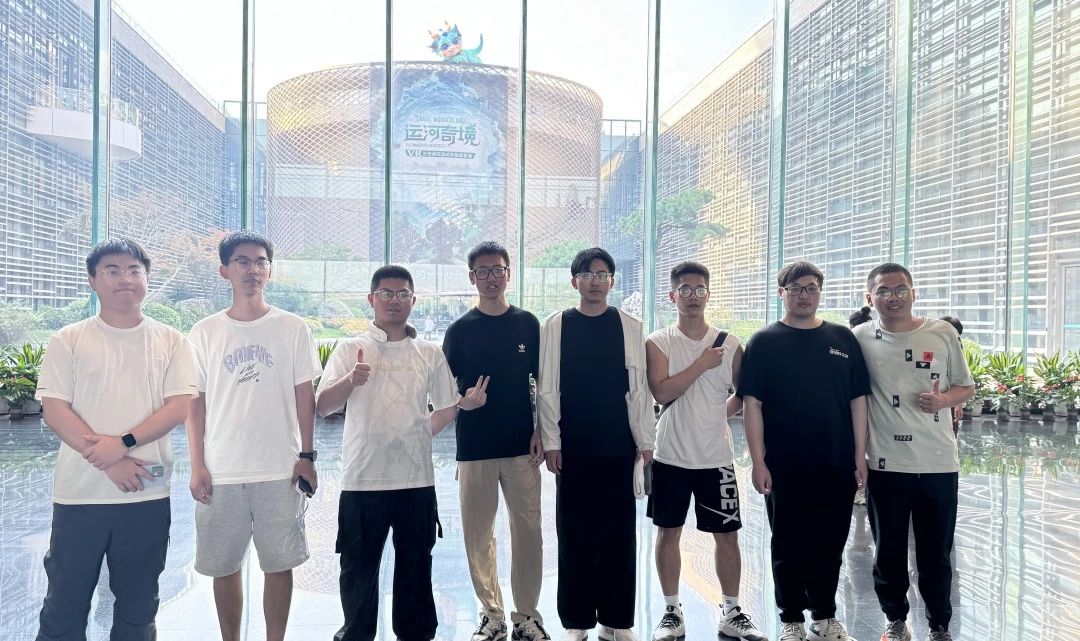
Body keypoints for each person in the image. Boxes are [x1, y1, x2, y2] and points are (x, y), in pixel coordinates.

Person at [34, 238, 196, 640]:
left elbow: (178, 407)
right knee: (65, 605)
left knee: (139, 608)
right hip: (79, 495)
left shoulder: (171, 340)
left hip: (146, 493)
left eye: (134, 270)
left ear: (146, 278)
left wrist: (121, 444)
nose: (125, 278)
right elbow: (55, 411)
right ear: (92, 279)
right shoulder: (69, 339)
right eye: (112, 270)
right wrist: (109, 460)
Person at [316, 264, 489, 641]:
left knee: (415, 568)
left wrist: (446, 416)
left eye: (402, 294)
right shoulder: (350, 348)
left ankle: (416, 634)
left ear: (413, 300)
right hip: (362, 480)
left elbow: (445, 408)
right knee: (358, 570)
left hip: (415, 480)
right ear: (371, 298)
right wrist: (350, 380)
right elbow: (324, 406)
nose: (394, 301)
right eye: (386, 293)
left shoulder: (428, 352)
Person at [185, 231, 322, 641]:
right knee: (223, 567)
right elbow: (195, 404)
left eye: (261, 261)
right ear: (224, 270)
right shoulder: (205, 332)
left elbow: (305, 396)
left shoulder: (292, 328)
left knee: (279, 565)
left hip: (279, 468)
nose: (253, 269)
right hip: (222, 469)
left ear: (270, 270)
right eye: (242, 261)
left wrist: (307, 456)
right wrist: (197, 465)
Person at [737, 261, 870, 641]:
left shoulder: (842, 339)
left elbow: (858, 400)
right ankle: (791, 619)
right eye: (795, 288)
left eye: (811, 287)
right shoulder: (764, 342)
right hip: (784, 463)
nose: (804, 295)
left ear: (820, 292)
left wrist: (859, 455)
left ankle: (824, 617)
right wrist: (758, 461)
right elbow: (753, 405)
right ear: (782, 293)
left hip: (835, 461)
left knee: (831, 542)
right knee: (787, 543)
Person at [644, 261, 767, 641]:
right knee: (668, 533)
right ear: (672, 295)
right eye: (685, 289)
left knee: (726, 535)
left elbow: (743, 395)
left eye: (699, 289)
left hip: (716, 459)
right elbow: (661, 392)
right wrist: (700, 364)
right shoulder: (659, 341)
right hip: (670, 456)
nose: (693, 296)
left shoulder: (730, 344)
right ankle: (671, 611)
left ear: (708, 294)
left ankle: (731, 610)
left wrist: (716, 414)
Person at [537, 247, 655, 641]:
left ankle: (617, 621)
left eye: (602, 274)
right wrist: (551, 441)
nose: (595, 281)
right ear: (575, 281)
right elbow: (548, 388)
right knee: (574, 534)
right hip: (573, 447)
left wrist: (645, 440)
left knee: (619, 534)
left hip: (618, 445)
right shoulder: (556, 325)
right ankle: (577, 621)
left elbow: (639, 390)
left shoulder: (629, 325)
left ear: (612, 281)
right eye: (587, 274)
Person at [853, 263, 974, 641]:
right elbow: (854, 398)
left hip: (938, 462)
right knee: (887, 551)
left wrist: (943, 400)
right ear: (870, 298)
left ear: (913, 293)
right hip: (885, 463)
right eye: (884, 291)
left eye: (901, 289)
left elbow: (965, 387)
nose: (894, 297)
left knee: (936, 553)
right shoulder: (859, 338)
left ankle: (939, 625)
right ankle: (895, 620)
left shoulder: (942, 333)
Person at [442, 242, 549, 641]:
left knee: (528, 532)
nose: (492, 277)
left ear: (508, 274)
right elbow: (442, 390)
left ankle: (527, 616)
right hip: (475, 449)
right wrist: (463, 402)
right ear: (473, 277)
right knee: (478, 535)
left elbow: (544, 383)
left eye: (498, 270)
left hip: (522, 447)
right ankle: (492, 614)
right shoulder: (459, 330)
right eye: (483, 271)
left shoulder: (527, 324)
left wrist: (541, 429)